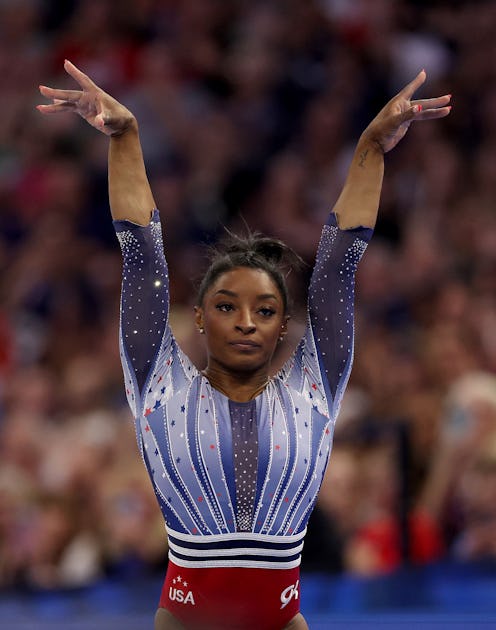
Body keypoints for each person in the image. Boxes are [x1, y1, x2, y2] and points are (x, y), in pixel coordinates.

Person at [37, 60, 450, 630]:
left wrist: (370, 150)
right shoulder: (160, 384)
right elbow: (140, 255)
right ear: (200, 320)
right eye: (227, 307)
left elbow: (336, 269)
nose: (247, 322)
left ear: (285, 328)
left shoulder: (314, 389)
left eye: (265, 310)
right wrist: (126, 138)